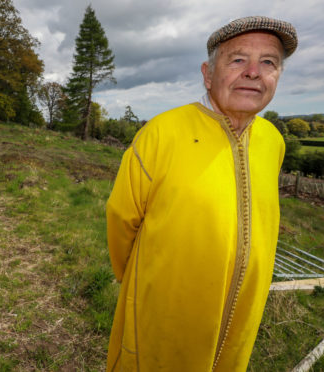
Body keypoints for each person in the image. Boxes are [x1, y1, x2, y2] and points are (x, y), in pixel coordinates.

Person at [105, 16, 298, 371]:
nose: (254, 72)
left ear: (278, 76)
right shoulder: (161, 133)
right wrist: (142, 283)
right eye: (238, 59)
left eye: (268, 62)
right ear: (208, 74)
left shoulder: (274, 141)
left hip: (242, 318)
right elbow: (121, 222)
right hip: (164, 315)